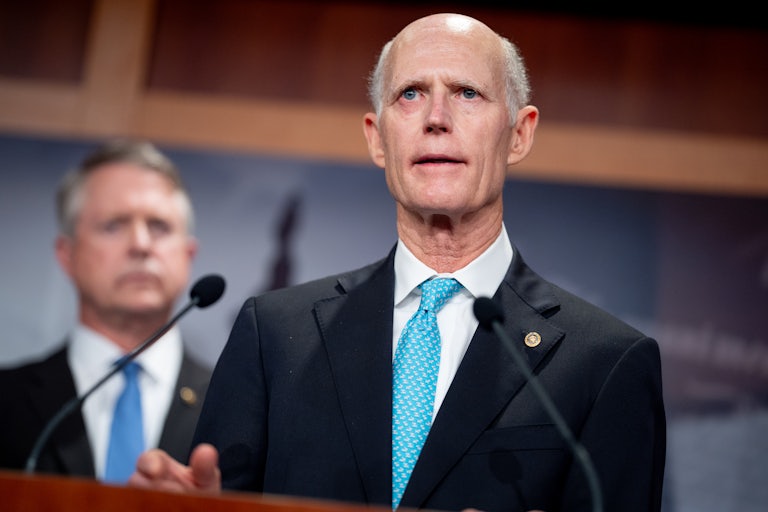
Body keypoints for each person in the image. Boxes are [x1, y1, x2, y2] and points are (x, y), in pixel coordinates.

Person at [128, 13, 666, 512]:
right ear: (377, 137)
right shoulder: (273, 335)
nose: (436, 118)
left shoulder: (606, 363)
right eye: (410, 94)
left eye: (468, 93)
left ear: (519, 134)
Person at [0, 139, 212, 482]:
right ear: (66, 255)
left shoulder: (236, 406)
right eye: (113, 225)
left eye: (159, 226)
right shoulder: (6, 400)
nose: (141, 245)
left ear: (188, 256)